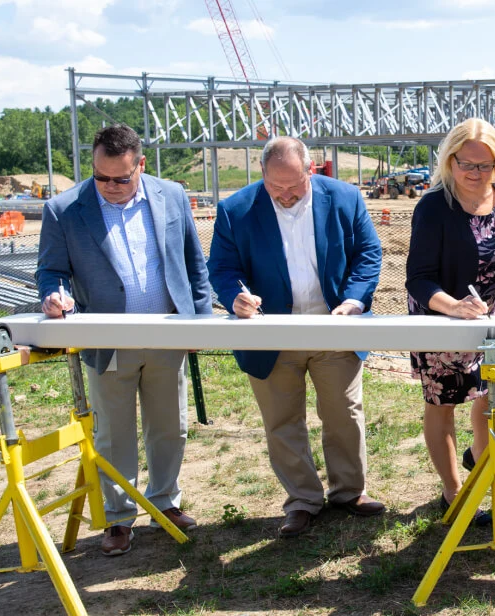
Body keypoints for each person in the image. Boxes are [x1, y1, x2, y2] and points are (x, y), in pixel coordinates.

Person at [37, 123, 212, 556]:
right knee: (113, 434)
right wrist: (53, 295)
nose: (110, 187)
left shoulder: (171, 195)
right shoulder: (63, 209)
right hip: (107, 337)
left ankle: (164, 502)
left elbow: (193, 263)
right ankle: (117, 518)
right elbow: (50, 270)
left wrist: (201, 321)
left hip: (168, 333)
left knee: (170, 427)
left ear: (141, 164)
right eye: (100, 177)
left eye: (121, 177)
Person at [207, 136, 385, 537]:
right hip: (271, 332)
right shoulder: (236, 210)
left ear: (312, 169)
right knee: (282, 421)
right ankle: (303, 499)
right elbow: (221, 266)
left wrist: (355, 300)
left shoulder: (345, 198)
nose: (285, 195)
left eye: (294, 186)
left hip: (333, 326)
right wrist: (235, 295)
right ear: (262, 176)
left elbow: (369, 254)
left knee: (343, 412)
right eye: (275, 187)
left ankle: (349, 491)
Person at [406, 118, 495, 523]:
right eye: (468, 165)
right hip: (441, 319)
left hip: (488, 317)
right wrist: (453, 307)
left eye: (486, 165)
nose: (476, 174)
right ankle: (453, 491)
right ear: (449, 160)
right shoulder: (434, 206)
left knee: (489, 395)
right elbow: (418, 278)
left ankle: (478, 456)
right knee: (443, 402)